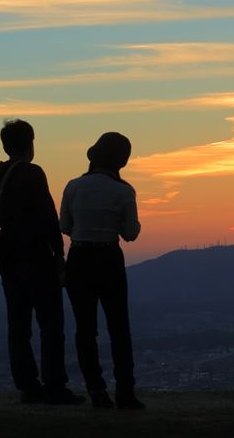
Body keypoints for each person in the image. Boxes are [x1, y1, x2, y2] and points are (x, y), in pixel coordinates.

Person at [0, 119, 84, 405]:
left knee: (18, 326)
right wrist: (59, 254)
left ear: (5, 145)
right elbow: (48, 217)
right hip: (37, 258)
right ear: (31, 144)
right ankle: (54, 387)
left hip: (8, 261)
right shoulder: (33, 173)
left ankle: (28, 388)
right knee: (51, 324)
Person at [60, 132, 145, 410]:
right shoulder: (124, 191)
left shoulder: (73, 186)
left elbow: (65, 227)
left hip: (79, 258)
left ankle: (96, 390)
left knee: (85, 330)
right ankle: (125, 392)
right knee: (119, 328)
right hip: (109, 258)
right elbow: (130, 234)